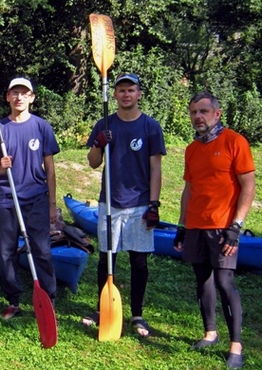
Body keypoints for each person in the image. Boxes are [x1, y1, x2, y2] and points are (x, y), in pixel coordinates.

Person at [174, 92, 255, 369]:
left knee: (224, 282)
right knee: (203, 282)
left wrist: (236, 226)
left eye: (204, 111)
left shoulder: (235, 141)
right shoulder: (191, 149)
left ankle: (236, 346)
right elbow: (189, 188)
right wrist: (182, 226)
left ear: (217, 114)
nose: (198, 116)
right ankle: (210, 333)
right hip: (196, 225)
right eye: (194, 111)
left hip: (223, 227)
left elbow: (248, 185)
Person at [81, 73, 165, 338]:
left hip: (140, 204)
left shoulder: (151, 126)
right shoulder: (104, 124)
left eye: (131, 90)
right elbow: (93, 162)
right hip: (110, 202)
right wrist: (99, 143)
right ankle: (101, 308)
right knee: (107, 258)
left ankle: (137, 315)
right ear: (114, 95)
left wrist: (154, 204)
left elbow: (156, 168)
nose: (126, 94)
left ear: (139, 94)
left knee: (139, 262)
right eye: (121, 90)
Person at [0, 77, 58, 319]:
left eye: (25, 93)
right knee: (6, 251)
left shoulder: (42, 127)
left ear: (32, 98)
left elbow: (50, 169)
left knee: (42, 250)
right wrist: (0, 168)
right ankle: (13, 300)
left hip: (36, 198)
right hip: (5, 198)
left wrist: (52, 205)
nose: (19, 97)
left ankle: (48, 299)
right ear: (7, 97)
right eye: (15, 92)